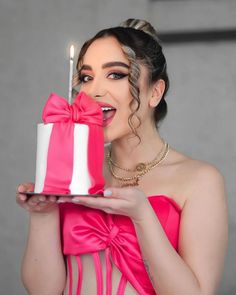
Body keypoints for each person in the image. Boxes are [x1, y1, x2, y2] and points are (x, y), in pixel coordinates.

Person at [16, 19, 228, 295]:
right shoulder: (74, 169)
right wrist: (42, 215)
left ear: (155, 92)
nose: (93, 91)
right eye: (86, 77)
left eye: (115, 74)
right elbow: (42, 291)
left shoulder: (201, 180)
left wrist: (142, 216)